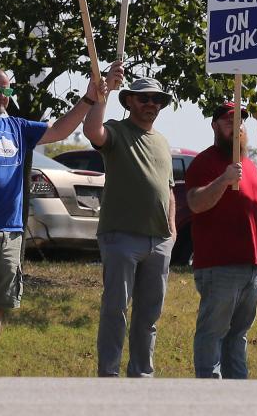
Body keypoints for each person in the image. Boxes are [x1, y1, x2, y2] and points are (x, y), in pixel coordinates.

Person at [0, 62, 114, 377]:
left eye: (6, 90)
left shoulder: (17, 126)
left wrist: (88, 100)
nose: (1, 96)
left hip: (12, 231)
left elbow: (59, 129)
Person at [82, 70, 175, 378]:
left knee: (149, 316)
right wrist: (102, 94)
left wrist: (171, 233)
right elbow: (92, 131)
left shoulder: (161, 141)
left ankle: (142, 377)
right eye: (144, 98)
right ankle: (108, 376)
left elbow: (169, 189)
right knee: (115, 310)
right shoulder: (116, 130)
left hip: (158, 241)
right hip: (120, 236)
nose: (151, 104)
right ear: (130, 101)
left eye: (157, 100)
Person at [184, 101, 257, 379]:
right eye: (229, 121)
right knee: (212, 332)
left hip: (254, 265)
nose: (235, 126)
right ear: (215, 125)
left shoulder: (249, 166)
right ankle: (209, 389)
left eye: (240, 122)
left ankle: (238, 392)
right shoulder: (204, 163)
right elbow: (195, 203)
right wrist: (224, 180)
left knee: (238, 334)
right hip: (219, 264)